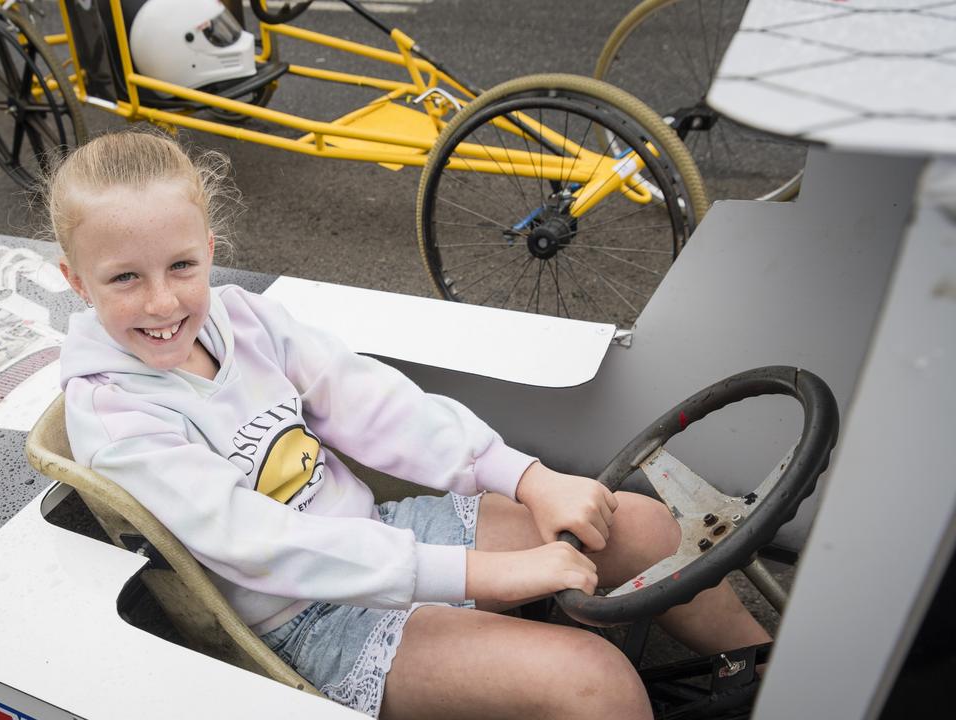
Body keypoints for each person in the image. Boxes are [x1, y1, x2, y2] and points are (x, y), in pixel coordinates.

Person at [51, 132, 770, 720]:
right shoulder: (116, 415)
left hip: (388, 536)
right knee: (592, 680)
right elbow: (264, 545)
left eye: (181, 265)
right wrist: (487, 572)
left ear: (209, 247)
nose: (162, 301)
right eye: (124, 279)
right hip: (311, 619)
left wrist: (527, 476)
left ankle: (769, 681)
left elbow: (374, 404)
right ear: (77, 281)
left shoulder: (243, 319)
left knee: (641, 527)